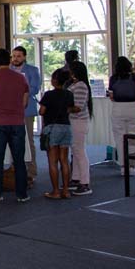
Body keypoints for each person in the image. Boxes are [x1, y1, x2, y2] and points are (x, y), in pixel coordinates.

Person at [0, 49, 30, 203]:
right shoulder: (21, 79)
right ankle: (22, 194)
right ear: (9, 59)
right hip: (17, 123)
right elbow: (25, 102)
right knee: (19, 160)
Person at [39, 69, 77, 199]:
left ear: (55, 80)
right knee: (64, 160)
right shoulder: (69, 94)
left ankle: (55, 191)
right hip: (66, 127)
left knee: (53, 161)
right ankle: (66, 190)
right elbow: (71, 108)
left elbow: (42, 111)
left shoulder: (48, 95)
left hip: (52, 128)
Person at [108, 57, 135, 175]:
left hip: (118, 108)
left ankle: (123, 166)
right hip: (133, 107)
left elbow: (111, 96)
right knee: (133, 137)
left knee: (120, 138)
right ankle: (132, 166)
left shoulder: (113, 78)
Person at [10, 46, 42, 185]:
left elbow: (35, 88)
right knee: (11, 140)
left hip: (26, 109)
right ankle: (13, 169)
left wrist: (21, 91)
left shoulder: (32, 70)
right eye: (14, 56)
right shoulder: (7, 70)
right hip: (10, 110)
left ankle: (31, 171)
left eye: (18, 56)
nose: (15, 58)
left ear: (24, 57)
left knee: (29, 141)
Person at [66, 61, 94, 196]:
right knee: (75, 151)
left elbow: (78, 107)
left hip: (78, 121)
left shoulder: (81, 86)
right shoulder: (75, 85)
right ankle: (76, 178)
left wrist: (62, 108)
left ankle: (85, 182)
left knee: (79, 151)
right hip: (74, 121)